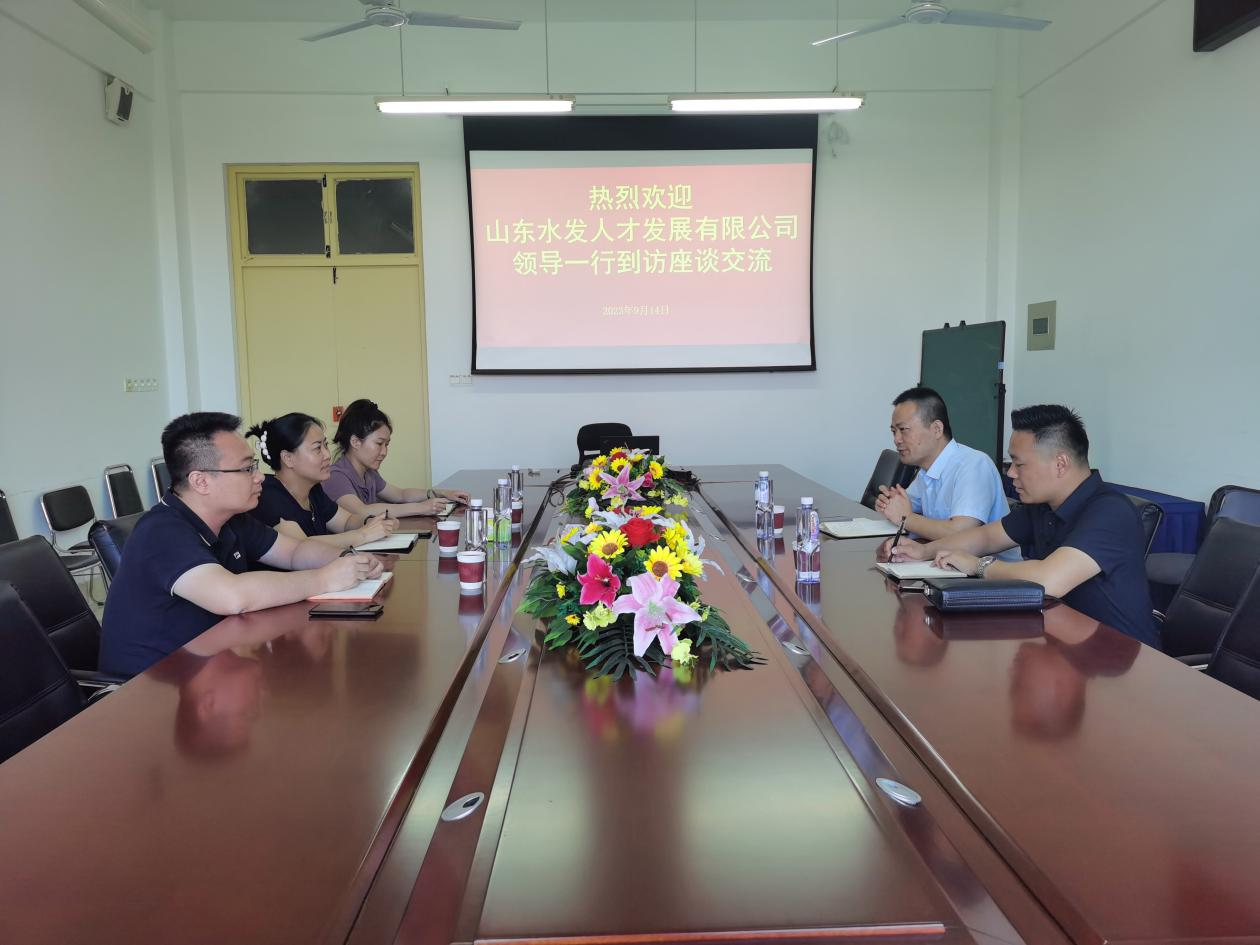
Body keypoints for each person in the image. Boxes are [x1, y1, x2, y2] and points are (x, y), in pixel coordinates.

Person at [100, 412, 383, 677]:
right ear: (200, 481)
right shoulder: (161, 532)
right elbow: (232, 596)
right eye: (247, 469)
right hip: (151, 688)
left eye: (255, 466)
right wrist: (324, 579)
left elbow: (295, 552)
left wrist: (347, 558)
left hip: (212, 668)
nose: (259, 477)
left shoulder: (232, 519)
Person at [889, 404, 1159, 648]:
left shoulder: (1111, 512)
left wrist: (977, 566)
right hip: (1059, 641)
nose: (1011, 474)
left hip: (1115, 659)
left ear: (1060, 464)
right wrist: (924, 552)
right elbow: (985, 537)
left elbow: (1050, 580)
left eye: (1018, 464)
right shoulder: (1043, 506)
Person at [875, 387, 1009, 557]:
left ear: (937, 429)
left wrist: (905, 518)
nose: (897, 439)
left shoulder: (973, 465)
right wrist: (889, 503)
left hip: (990, 570)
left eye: (903, 430)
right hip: (943, 561)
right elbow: (904, 505)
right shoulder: (925, 471)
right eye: (894, 431)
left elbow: (962, 534)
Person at [244, 412, 400, 550]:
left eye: (326, 445)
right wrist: (364, 535)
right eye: (317, 448)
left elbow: (346, 521)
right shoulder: (268, 494)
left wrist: (374, 521)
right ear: (288, 458)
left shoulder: (313, 489)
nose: (327, 455)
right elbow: (301, 547)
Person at [325, 399, 469, 518]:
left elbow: (401, 495)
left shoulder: (369, 473)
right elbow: (361, 511)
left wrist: (442, 493)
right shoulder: (336, 476)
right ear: (355, 442)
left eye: (387, 445)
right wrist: (421, 507)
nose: (384, 452)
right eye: (379, 443)